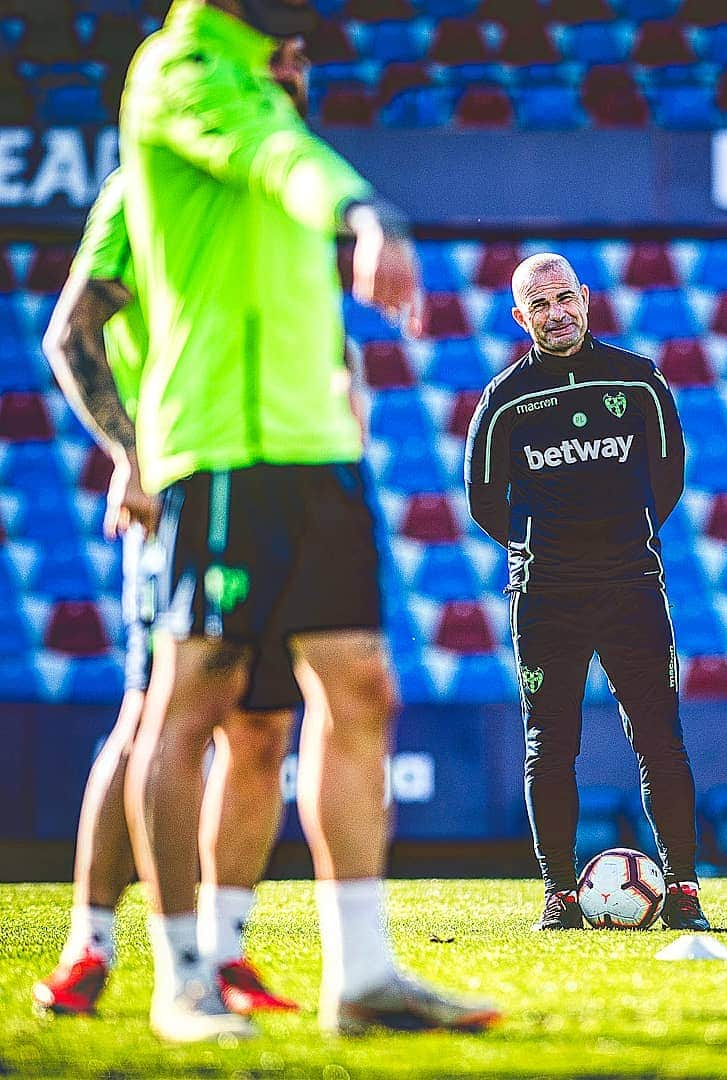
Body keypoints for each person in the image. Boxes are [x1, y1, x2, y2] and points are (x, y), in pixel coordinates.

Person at [112, 0, 498, 1042]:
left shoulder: (270, 86)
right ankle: (181, 977)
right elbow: (280, 158)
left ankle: (362, 979)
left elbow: (288, 164)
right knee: (193, 702)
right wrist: (369, 215)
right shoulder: (184, 69)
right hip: (225, 445)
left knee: (359, 688)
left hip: (316, 447)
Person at [32, 39, 318, 1021]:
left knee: (263, 723)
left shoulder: (274, 198)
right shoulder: (145, 189)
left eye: (296, 61)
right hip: (185, 485)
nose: (286, 77)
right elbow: (69, 331)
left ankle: (225, 954)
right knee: (156, 710)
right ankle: (91, 946)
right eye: (267, 63)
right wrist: (131, 453)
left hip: (279, 481)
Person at [465, 253, 710, 934]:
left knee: (660, 738)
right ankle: (557, 893)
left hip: (631, 585)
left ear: (585, 299)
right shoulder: (504, 401)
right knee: (549, 743)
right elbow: (485, 502)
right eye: (539, 306)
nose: (556, 314)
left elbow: (668, 478)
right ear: (520, 317)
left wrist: (618, 538)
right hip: (547, 595)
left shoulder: (638, 382)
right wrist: (550, 548)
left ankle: (684, 889)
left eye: (564, 298)